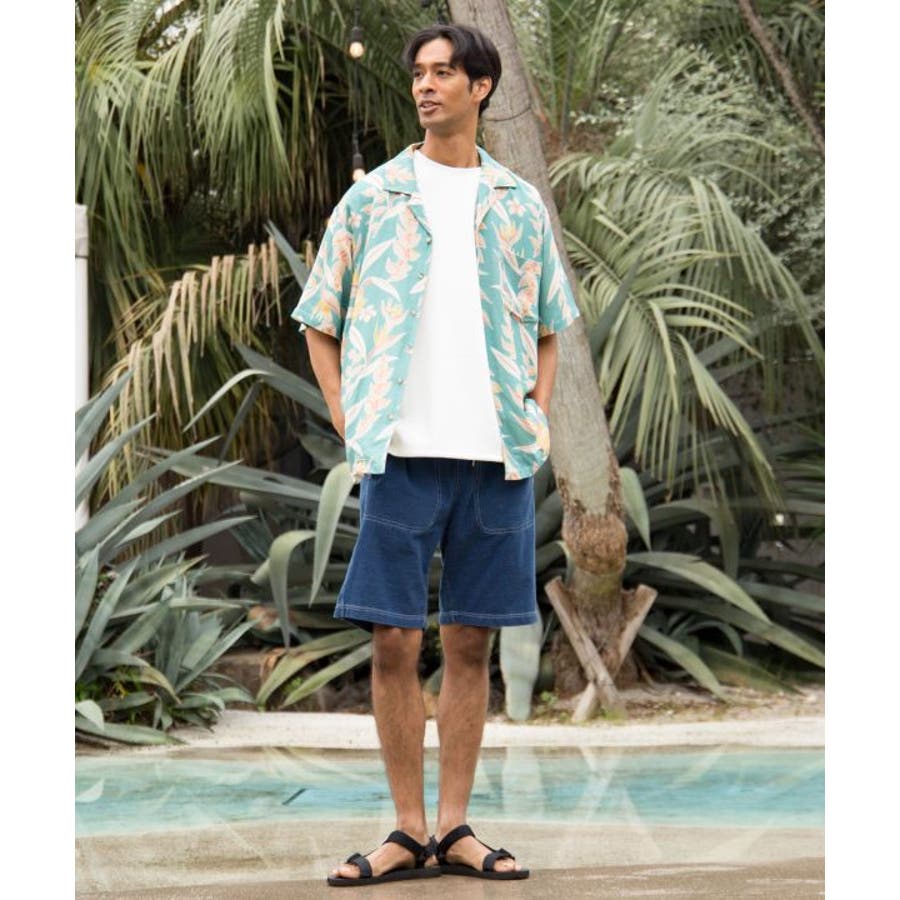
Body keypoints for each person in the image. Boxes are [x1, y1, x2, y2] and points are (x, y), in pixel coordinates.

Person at [290, 22, 580, 887]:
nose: (425, 85)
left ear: (480, 88)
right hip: (401, 452)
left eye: (444, 72)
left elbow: (550, 322)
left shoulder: (518, 204)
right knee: (390, 639)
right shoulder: (374, 198)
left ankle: (455, 827)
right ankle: (405, 829)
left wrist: (533, 408)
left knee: (470, 643)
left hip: (494, 457)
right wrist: (346, 411)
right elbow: (319, 317)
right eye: (418, 72)